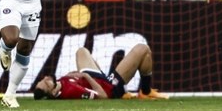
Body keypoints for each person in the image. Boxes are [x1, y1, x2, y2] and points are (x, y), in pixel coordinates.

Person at [33, 43, 168, 100]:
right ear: (52, 92)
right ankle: (145, 92)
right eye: (45, 84)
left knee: (81, 51)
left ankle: (143, 91)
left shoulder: (60, 84)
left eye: (42, 80)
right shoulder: (71, 91)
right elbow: (103, 96)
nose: (45, 79)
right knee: (143, 50)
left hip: (95, 77)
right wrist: (85, 75)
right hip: (109, 87)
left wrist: (73, 75)